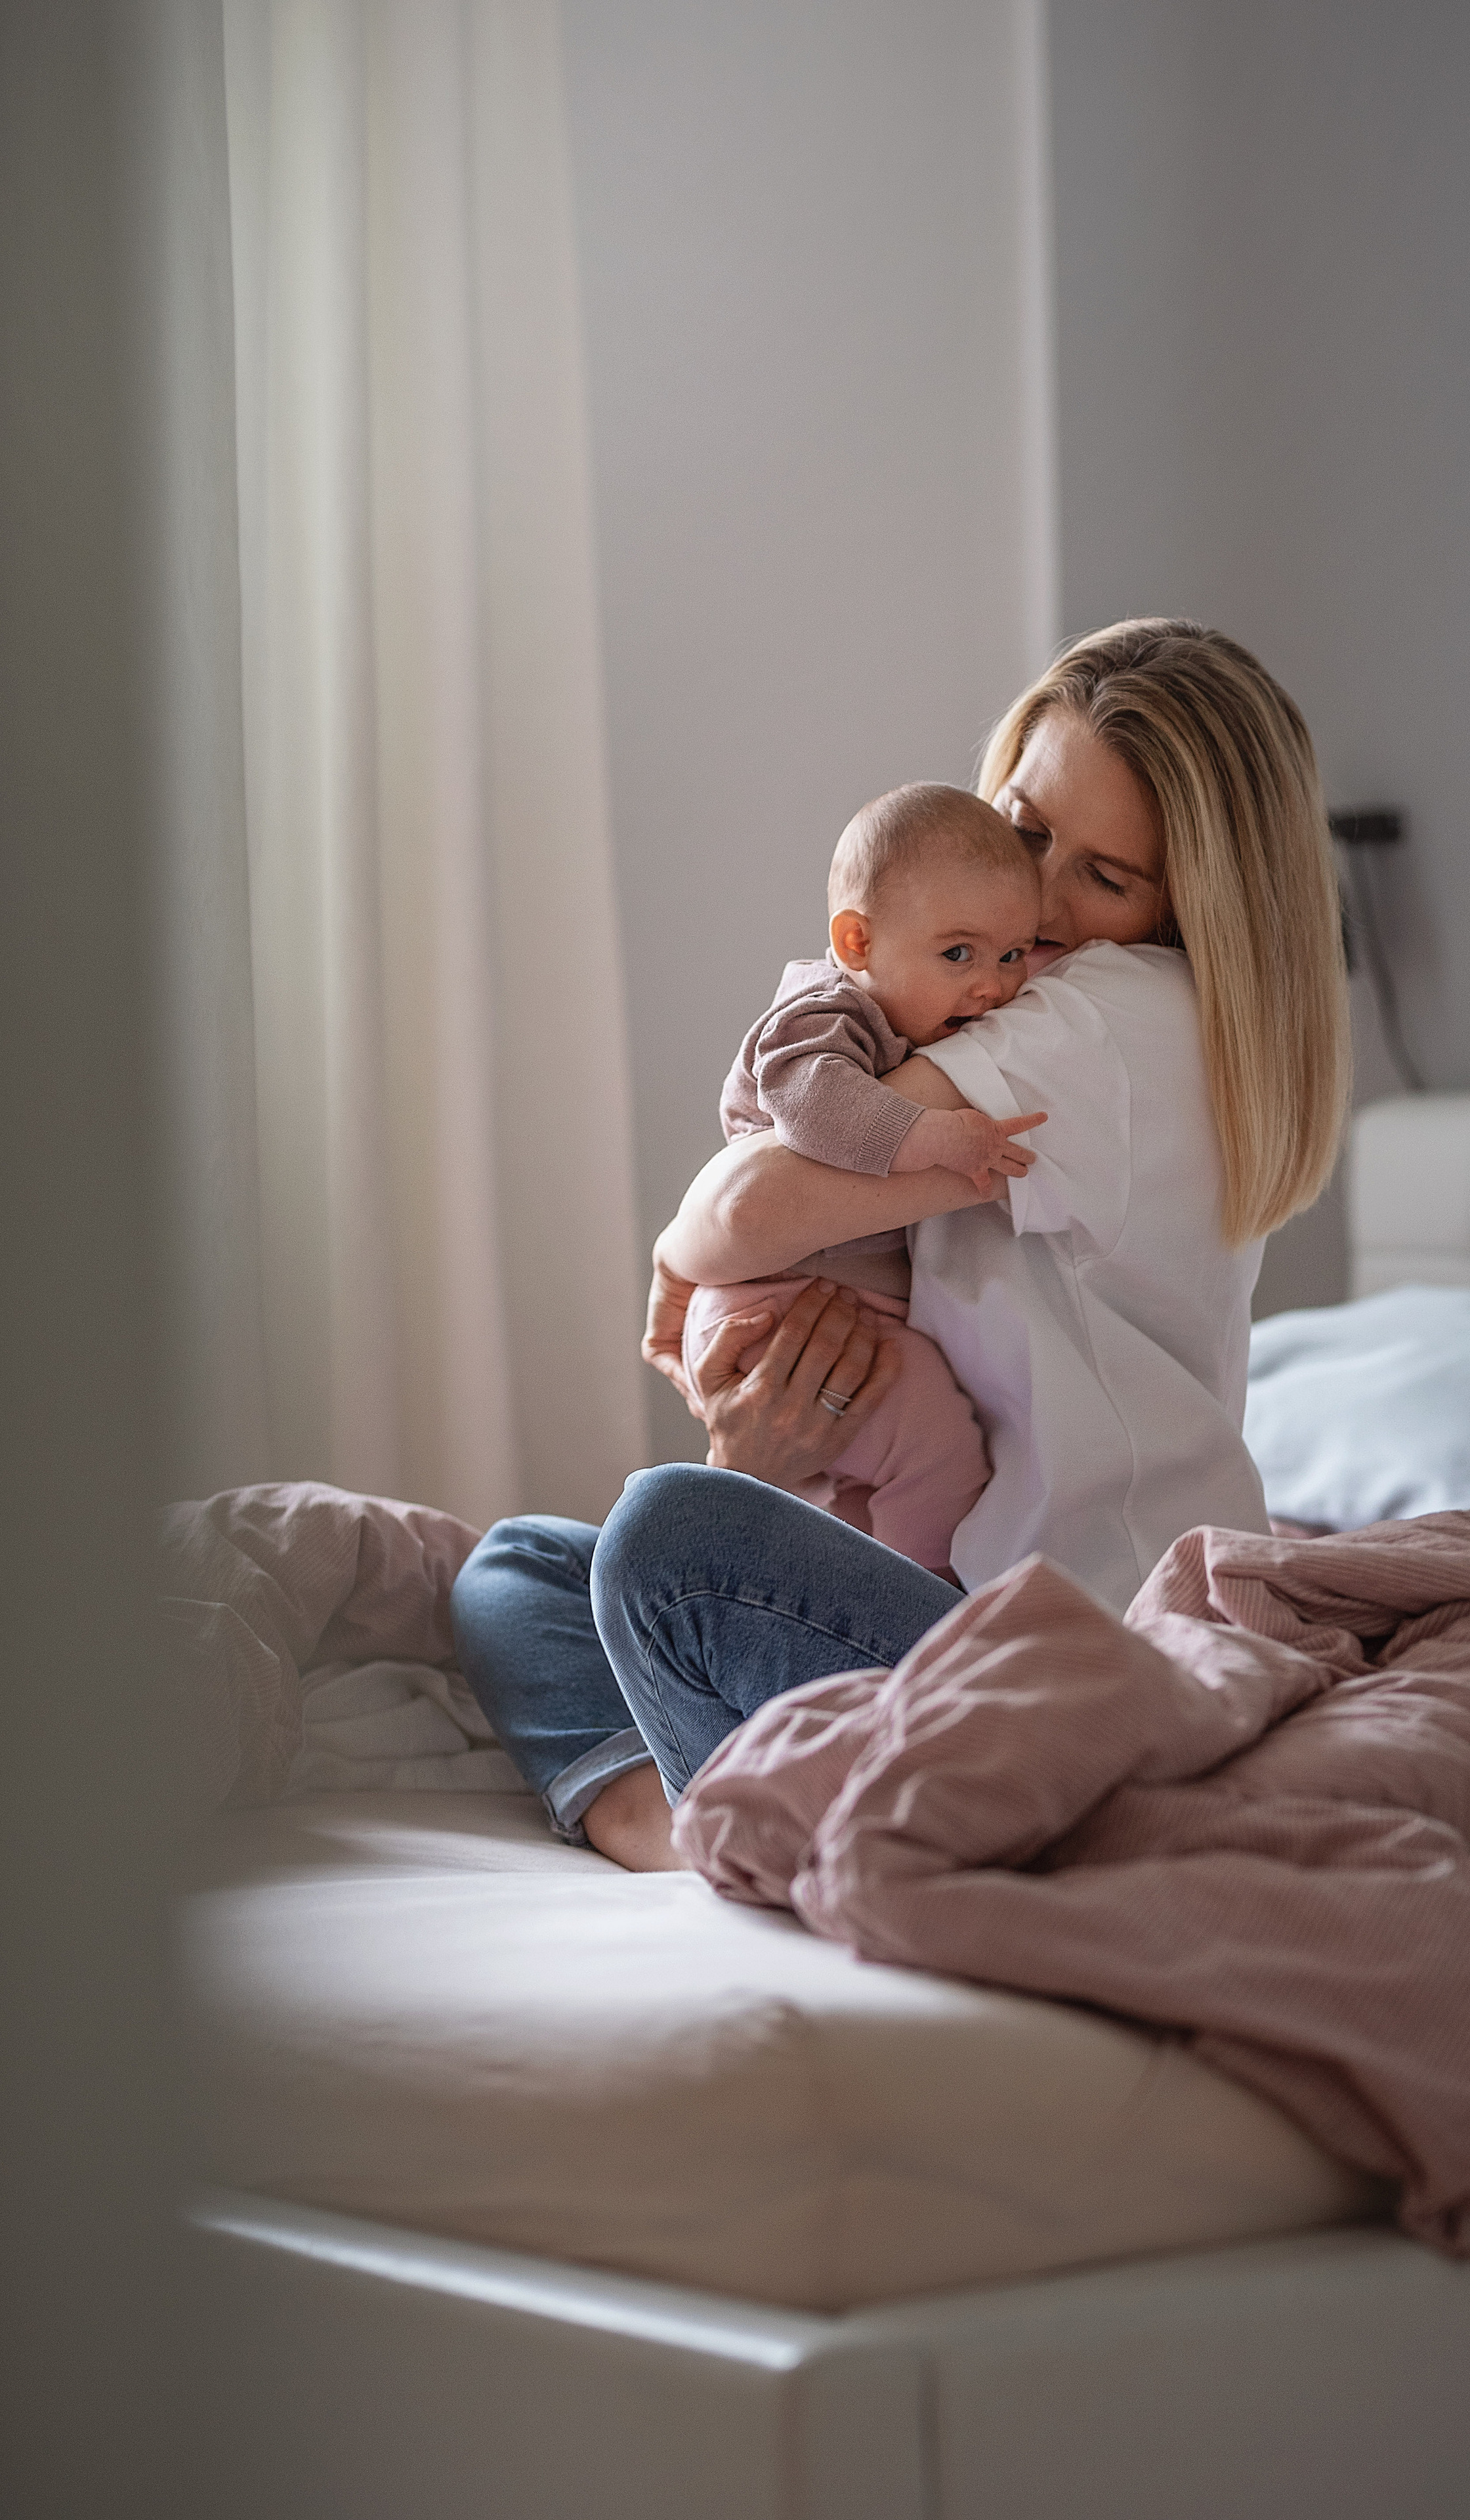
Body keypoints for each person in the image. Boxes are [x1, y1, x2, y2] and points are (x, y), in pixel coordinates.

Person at [452, 620, 1351, 1872]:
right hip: (970, 1607)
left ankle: (713, 1826)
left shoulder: (1106, 1016)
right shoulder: (1047, 991)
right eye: (1026, 828)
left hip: (1070, 1648)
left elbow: (749, 1213)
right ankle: (705, 1811)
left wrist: (674, 1257)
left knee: (667, 1537)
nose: (1036, 898)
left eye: (1102, 876)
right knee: (520, 1568)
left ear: (1189, 909)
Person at [683, 780, 1045, 1572]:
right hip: (774, 1307)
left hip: (812, 1307)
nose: (993, 985)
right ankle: (930, 1613)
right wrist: (935, 1136)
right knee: (941, 1451)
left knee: (856, 1505)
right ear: (856, 944)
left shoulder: (907, 1017)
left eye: (1013, 955)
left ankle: (856, 1634)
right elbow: (812, 1105)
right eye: (958, 954)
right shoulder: (823, 1012)